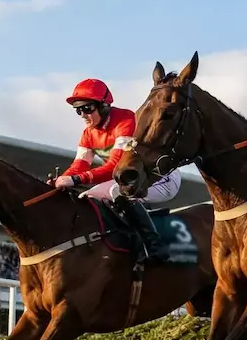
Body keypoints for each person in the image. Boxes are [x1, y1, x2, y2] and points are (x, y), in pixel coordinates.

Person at [53, 77, 179, 262]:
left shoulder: (125, 121)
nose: (83, 115)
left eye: (87, 108)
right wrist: (60, 181)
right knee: (86, 197)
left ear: (104, 106)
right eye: (78, 110)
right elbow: (79, 164)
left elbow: (115, 165)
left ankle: (155, 246)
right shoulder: (88, 133)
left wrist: (77, 180)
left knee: (116, 190)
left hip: (161, 179)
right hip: (127, 178)